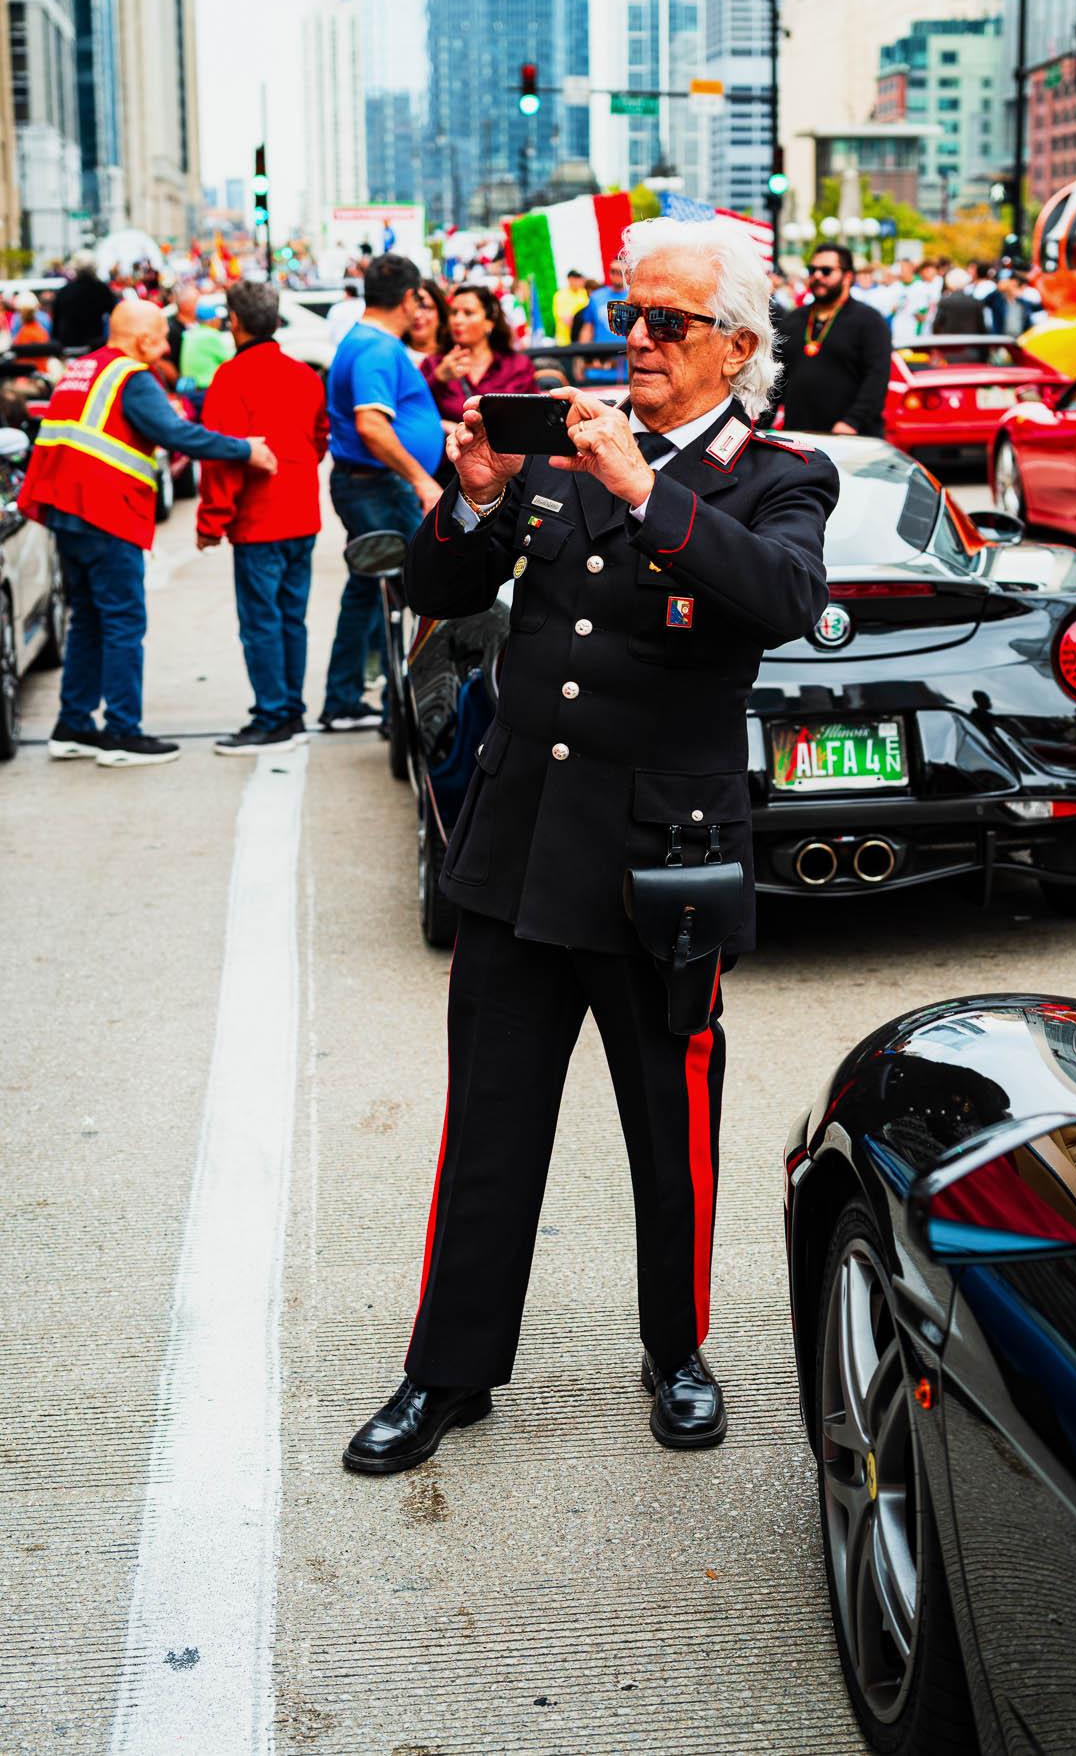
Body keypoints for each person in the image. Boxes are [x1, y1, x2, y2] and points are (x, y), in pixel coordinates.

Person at [342, 215, 838, 1477]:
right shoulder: (559, 455)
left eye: (664, 323)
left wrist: (643, 487)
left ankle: (676, 1352)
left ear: (735, 345)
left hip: (656, 859)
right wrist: (477, 494)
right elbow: (447, 591)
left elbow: (781, 599)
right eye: (630, 318)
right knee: (490, 1125)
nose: (637, 342)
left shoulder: (777, 477)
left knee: (668, 1129)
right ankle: (448, 1372)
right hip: (519, 844)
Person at [18, 297, 276, 765]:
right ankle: (122, 733)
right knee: (122, 623)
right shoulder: (131, 377)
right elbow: (177, 434)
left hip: (67, 513)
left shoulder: (84, 368)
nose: (165, 351)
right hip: (104, 514)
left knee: (88, 621)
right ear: (142, 339)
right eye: (161, 340)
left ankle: (72, 725)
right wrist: (244, 449)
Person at [196, 279, 329, 754]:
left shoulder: (230, 377)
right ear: (274, 319)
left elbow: (221, 457)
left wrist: (211, 523)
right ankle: (289, 710)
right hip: (302, 514)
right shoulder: (306, 375)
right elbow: (319, 439)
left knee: (261, 622)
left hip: (258, 520)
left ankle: (272, 716)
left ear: (234, 321)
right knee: (292, 617)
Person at [321, 253, 442, 733]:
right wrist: (420, 479)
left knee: (371, 591)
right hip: (378, 487)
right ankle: (393, 709)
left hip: (371, 484)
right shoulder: (376, 348)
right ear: (410, 297)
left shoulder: (368, 341)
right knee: (408, 593)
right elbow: (372, 426)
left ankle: (347, 698)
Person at [770, 243, 892, 436]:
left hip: (851, 438)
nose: (817, 276)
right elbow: (776, 378)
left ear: (848, 276)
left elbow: (877, 378)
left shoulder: (870, 321)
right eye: (813, 270)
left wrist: (852, 421)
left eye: (826, 271)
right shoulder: (793, 319)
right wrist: (763, 423)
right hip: (798, 436)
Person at [421, 287, 536, 425]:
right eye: (453, 312)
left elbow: (533, 416)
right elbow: (412, 410)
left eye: (468, 313)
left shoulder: (517, 365)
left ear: (489, 322)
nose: (457, 320)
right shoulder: (434, 364)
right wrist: (437, 378)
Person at [51, 253, 120, 354]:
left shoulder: (64, 291)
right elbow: (114, 316)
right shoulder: (102, 290)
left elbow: (56, 322)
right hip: (95, 346)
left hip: (69, 347)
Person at [572, 259, 628, 346]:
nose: (616, 275)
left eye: (620, 271)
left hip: (626, 353)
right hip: (602, 354)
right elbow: (588, 328)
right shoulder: (596, 297)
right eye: (613, 271)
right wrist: (582, 354)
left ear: (627, 273)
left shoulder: (634, 296)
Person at [931, 265, 988, 336]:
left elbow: (937, 324)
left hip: (949, 343)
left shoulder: (945, 301)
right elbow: (981, 326)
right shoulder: (976, 302)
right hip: (971, 343)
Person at [405, 280, 451, 363]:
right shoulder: (394, 355)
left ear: (440, 313)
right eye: (412, 307)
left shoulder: (453, 356)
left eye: (425, 307)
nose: (417, 315)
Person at [165, 282, 199, 374]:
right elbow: (165, 362)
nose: (199, 304)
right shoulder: (171, 329)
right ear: (186, 305)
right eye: (197, 301)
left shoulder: (200, 323)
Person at [551, 268, 590, 344]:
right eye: (577, 279)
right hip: (565, 342)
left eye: (580, 278)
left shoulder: (584, 293)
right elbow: (567, 319)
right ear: (570, 279)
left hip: (581, 341)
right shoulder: (560, 295)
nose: (580, 281)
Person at [325, 279, 365, 352]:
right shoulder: (364, 307)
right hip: (362, 348)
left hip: (341, 347)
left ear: (347, 292)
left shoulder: (337, 308)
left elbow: (330, 330)